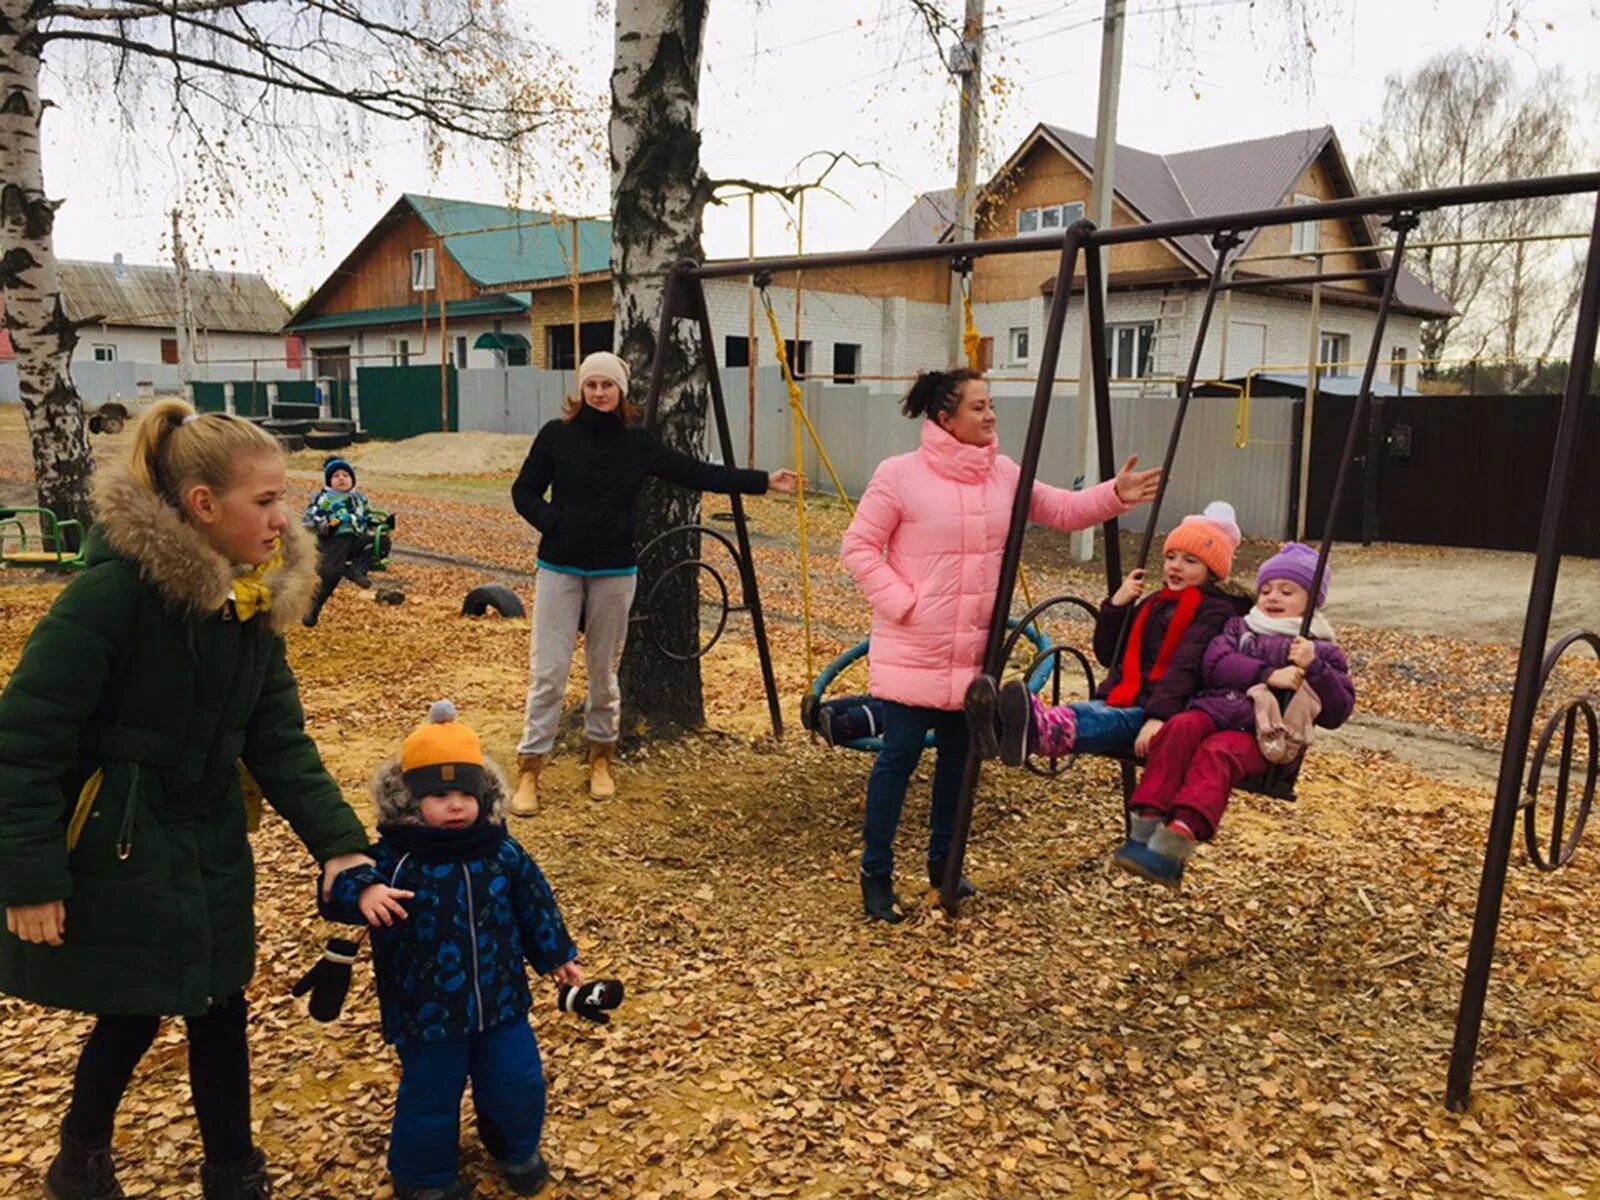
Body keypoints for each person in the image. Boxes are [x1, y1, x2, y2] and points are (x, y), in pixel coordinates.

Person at [0, 401, 375, 1200]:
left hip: (208, 834)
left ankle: (233, 1169)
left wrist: (341, 843)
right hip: (119, 838)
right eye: (265, 501)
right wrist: (29, 879)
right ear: (203, 506)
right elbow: (23, 743)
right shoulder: (110, 599)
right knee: (135, 1007)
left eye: (285, 498)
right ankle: (81, 1157)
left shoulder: (252, 602)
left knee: (219, 998)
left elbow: (279, 740)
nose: (285, 517)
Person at [840, 368, 1161, 923]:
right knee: (898, 758)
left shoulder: (1003, 475)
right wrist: (904, 603)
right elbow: (860, 547)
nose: (990, 416)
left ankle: (945, 861)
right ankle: (877, 872)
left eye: (991, 406)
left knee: (961, 760)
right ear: (945, 418)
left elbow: (1061, 509)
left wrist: (1114, 495)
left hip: (973, 657)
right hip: (916, 649)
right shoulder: (899, 476)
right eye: (978, 407)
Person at [509, 351, 797, 810]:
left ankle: (601, 757)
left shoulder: (637, 444)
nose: (599, 393)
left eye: (607, 385)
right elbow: (523, 491)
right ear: (580, 390)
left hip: (614, 571)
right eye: (591, 385)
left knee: (604, 673)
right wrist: (553, 521)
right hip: (559, 568)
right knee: (548, 673)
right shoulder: (556, 437)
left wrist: (762, 480)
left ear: (622, 391)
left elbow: (695, 472)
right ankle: (530, 769)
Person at [321, 701, 581, 1200]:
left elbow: (535, 905)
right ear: (408, 800)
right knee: (430, 1093)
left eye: (467, 793)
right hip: (427, 1011)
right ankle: (422, 1175)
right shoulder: (394, 860)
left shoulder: (503, 852)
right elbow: (339, 892)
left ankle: (515, 1147)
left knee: (517, 1079)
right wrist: (363, 891)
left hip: (502, 1002)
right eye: (440, 795)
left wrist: (557, 955)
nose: (457, 805)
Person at [1113, 542, 1355, 887]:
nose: (1273, 597)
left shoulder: (1321, 648)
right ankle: (1147, 822)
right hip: (1213, 710)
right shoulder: (1239, 628)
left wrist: (1314, 668)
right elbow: (1214, 665)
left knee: (1218, 753)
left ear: (1312, 601)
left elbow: (1338, 711)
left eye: (1287, 591)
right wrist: (1267, 675)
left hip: (1263, 736)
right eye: (1267, 589)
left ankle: (1176, 841)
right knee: (1180, 727)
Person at [970, 500, 1251, 768]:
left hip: (1168, 712)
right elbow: (1108, 653)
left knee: (1105, 720)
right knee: (1088, 711)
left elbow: (1187, 669)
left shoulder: (1215, 613)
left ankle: (1039, 731)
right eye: (1171, 557)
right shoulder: (1156, 602)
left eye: (1190, 561)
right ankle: (1002, 725)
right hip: (1124, 696)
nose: (1175, 566)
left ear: (1212, 571)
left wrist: (1159, 718)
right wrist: (1117, 605)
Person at [301, 455, 379, 627]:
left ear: (352, 479)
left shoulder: (359, 498)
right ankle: (312, 608)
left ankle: (357, 568)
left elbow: (369, 515)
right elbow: (312, 517)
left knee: (381, 541)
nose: (341, 478)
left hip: (356, 538)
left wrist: (376, 525)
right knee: (330, 574)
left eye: (345, 475)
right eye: (336, 476)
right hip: (335, 540)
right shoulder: (325, 498)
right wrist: (324, 524)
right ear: (329, 482)